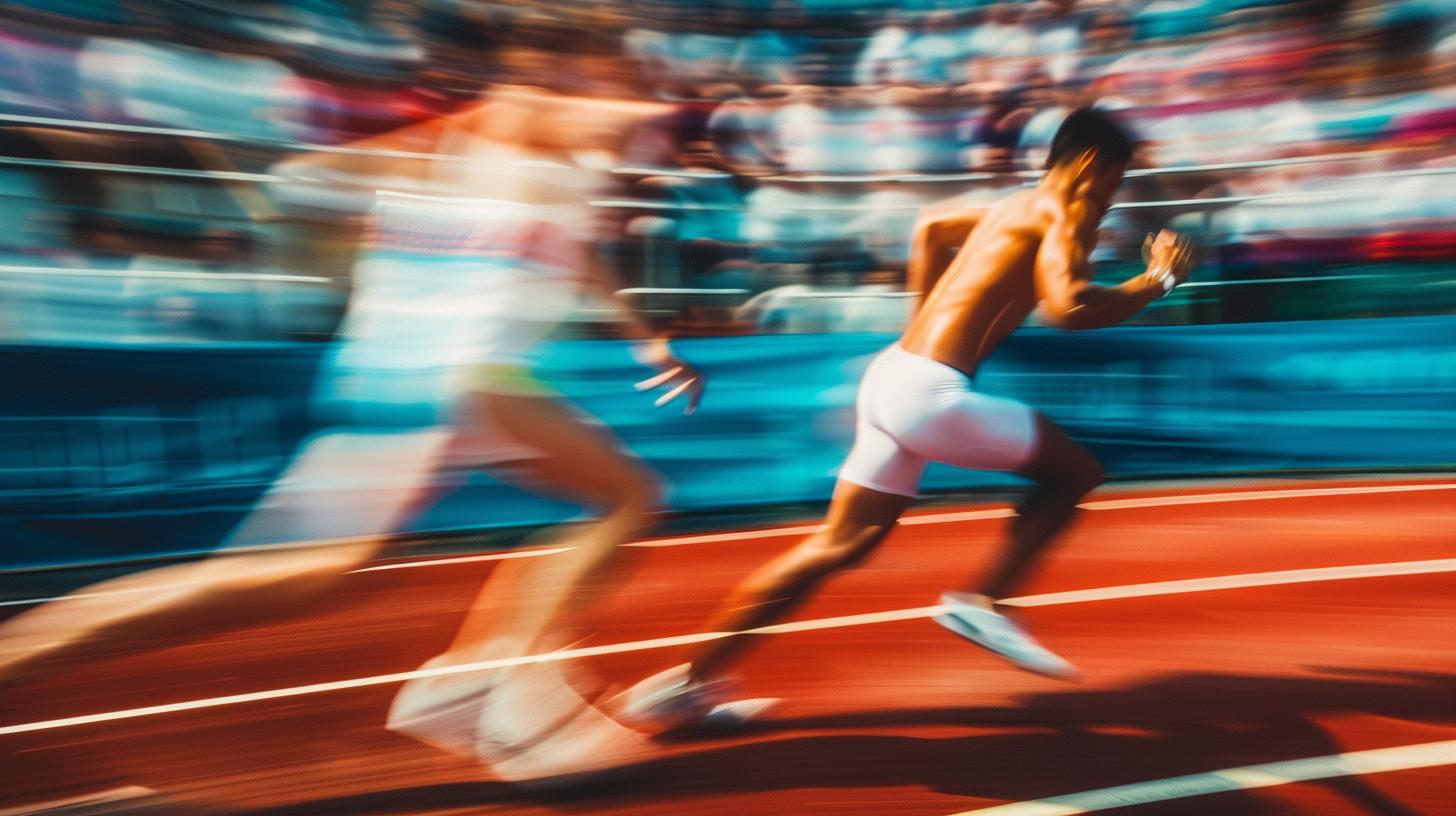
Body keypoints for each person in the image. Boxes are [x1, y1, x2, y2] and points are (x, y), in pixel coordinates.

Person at [0, 38, 704, 781]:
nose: (641, 114)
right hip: (461, 377)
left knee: (299, 577)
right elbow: (313, 177)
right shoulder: (514, 116)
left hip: (416, 377)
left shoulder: (545, 176)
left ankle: (475, 686)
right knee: (627, 496)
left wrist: (645, 341)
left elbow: (579, 252)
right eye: (621, 88)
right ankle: (499, 685)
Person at [617, 108, 1195, 728]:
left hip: (895, 375)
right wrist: (1156, 281)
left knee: (838, 545)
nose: (1113, 201)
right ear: (1087, 164)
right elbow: (1069, 307)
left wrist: (921, 330)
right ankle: (986, 603)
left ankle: (683, 685)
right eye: (1115, 181)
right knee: (1075, 473)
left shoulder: (1011, 207)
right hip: (929, 393)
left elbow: (931, 229)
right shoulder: (1064, 211)